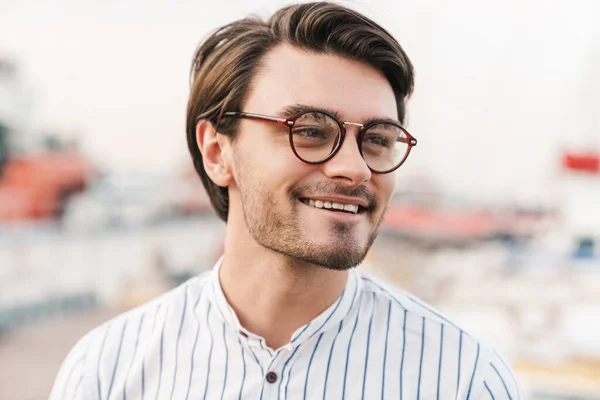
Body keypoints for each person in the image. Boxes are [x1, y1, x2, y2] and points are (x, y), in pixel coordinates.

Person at [50, 2, 521, 399]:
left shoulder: (464, 379)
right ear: (217, 151)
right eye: (311, 131)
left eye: (377, 139)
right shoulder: (108, 371)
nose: (354, 168)